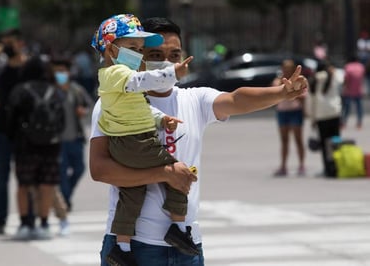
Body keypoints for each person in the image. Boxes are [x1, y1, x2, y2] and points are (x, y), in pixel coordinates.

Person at [89, 17, 308, 266]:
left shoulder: (194, 99)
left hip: (186, 247)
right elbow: (99, 169)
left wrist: (280, 93)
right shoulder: (112, 104)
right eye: (156, 54)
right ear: (138, 56)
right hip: (134, 249)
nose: (168, 62)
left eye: (175, 54)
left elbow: (237, 100)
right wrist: (165, 173)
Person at [92, 14, 198, 265]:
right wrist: (172, 72)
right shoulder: (117, 74)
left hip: (127, 143)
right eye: (132, 48)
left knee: (131, 195)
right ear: (111, 48)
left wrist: (161, 120)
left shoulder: (119, 83)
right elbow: (142, 81)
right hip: (135, 142)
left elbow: (141, 109)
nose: (138, 55)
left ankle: (122, 248)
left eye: (140, 50)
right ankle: (179, 230)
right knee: (179, 171)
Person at [6, 56, 65, 240]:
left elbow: (10, 120)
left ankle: (24, 224)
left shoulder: (20, 90)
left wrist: (14, 140)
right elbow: (61, 120)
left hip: (25, 146)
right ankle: (44, 224)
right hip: (50, 146)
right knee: (46, 185)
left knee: (23, 185)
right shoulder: (53, 91)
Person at [0, 29, 29, 235]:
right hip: (3, 132)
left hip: (24, 133)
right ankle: (0, 220)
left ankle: (27, 219)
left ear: (20, 44)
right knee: (2, 180)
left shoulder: (29, 71)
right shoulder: (1, 72)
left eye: (11, 43)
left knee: (25, 179)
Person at [51, 57, 94, 212]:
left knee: (79, 169)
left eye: (62, 71)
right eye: (56, 71)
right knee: (61, 173)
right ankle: (65, 203)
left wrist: (84, 111)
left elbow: (89, 105)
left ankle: (64, 197)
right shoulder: (51, 91)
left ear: (68, 72)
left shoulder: (76, 90)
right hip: (58, 140)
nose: (60, 74)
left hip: (75, 138)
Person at [305, 60, 342, 177]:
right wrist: (333, 69)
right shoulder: (333, 76)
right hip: (334, 113)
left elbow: (310, 101)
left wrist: (312, 117)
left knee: (324, 143)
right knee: (335, 141)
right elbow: (342, 77)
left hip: (321, 116)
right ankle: (337, 166)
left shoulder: (313, 80)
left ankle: (327, 168)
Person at [271, 59, 306, 176]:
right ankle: (283, 166)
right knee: (284, 140)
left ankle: (301, 165)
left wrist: (294, 93)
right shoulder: (277, 81)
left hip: (295, 111)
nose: (286, 70)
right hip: (282, 112)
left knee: (298, 139)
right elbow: (272, 95)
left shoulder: (299, 81)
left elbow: (304, 96)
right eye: (285, 68)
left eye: (289, 68)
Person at [341, 55, 366, 129]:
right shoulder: (361, 66)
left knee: (346, 108)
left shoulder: (348, 66)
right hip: (358, 90)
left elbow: (346, 79)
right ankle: (359, 123)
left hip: (348, 90)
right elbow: (362, 78)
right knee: (359, 108)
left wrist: (343, 87)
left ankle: (344, 123)